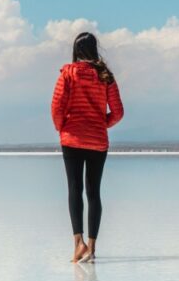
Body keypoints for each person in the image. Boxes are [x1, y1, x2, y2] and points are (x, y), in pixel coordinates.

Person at [50, 31, 124, 263]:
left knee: (74, 189)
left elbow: (57, 107)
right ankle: (91, 248)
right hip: (97, 140)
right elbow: (119, 111)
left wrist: (63, 128)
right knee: (93, 193)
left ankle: (77, 244)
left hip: (72, 139)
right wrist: (101, 124)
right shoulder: (105, 75)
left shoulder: (68, 73)